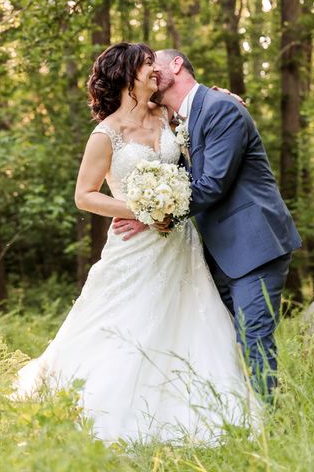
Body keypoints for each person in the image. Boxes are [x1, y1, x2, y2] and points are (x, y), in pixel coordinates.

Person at [13, 43, 260, 444]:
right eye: (147, 64)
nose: (154, 70)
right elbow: (85, 195)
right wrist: (139, 210)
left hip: (179, 243)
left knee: (191, 320)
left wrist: (225, 97)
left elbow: (202, 116)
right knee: (121, 322)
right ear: (128, 75)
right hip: (134, 245)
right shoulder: (105, 134)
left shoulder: (165, 115)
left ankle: (203, 409)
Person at [114, 49, 302, 399]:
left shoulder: (221, 108)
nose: (151, 72)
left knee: (253, 337)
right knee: (220, 339)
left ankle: (273, 424)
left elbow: (212, 184)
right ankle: (240, 415)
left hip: (253, 245)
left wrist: (154, 215)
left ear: (177, 65)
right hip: (217, 251)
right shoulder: (180, 119)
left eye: (155, 64)